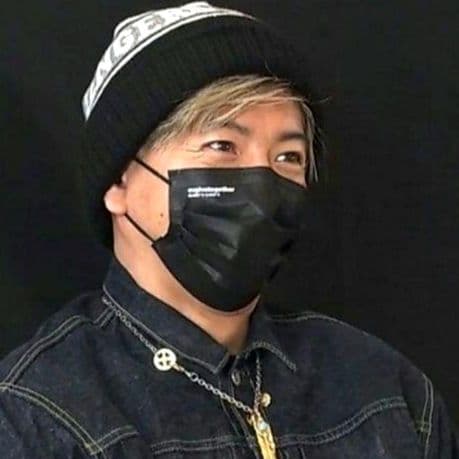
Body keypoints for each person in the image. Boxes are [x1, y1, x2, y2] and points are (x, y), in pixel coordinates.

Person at [0, 2, 457, 458]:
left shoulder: (386, 393)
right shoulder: (38, 420)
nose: (262, 183)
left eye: (288, 157)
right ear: (118, 182)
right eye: (222, 145)